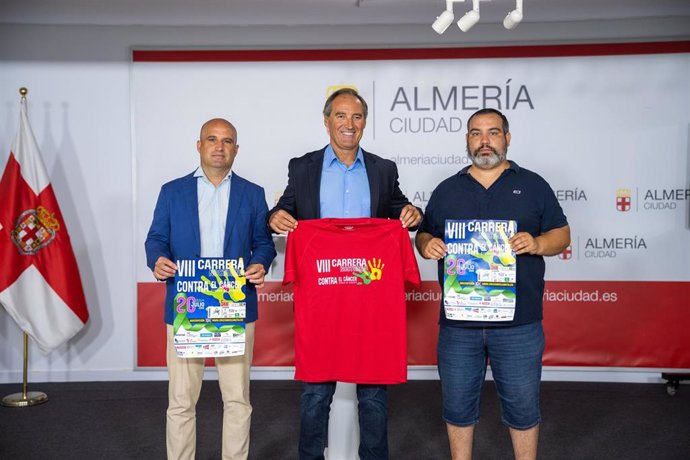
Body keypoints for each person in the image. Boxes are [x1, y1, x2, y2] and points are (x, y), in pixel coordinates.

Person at [268, 87, 422, 460]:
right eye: (340, 116)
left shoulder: (383, 169)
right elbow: (282, 210)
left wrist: (414, 214)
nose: (348, 124)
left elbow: (400, 207)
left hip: (369, 296)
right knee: (316, 391)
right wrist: (274, 218)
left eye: (356, 117)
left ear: (364, 124)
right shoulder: (302, 166)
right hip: (322, 294)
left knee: (373, 389)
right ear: (326, 122)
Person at [415, 108, 570, 460]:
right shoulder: (447, 189)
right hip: (458, 323)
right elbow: (424, 232)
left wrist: (537, 243)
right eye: (475, 133)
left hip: (518, 323)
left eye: (493, 132)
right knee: (457, 408)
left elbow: (562, 234)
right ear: (467, 140)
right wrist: (426, 244)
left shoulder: (533, 185)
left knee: (523, 409)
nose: (484, 141)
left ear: (507, 138)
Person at [145, 118, 276, 460]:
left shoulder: (253, 193)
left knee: (236, 399)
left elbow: (264, 243)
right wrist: (157, 259)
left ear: (236, 149)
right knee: (182, 401)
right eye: (212, 139)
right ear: (199, 145)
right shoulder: (172, 192)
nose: (220, 146)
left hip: (234, 304)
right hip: (187, 305)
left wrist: (261, 261)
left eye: (227, 141)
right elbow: (156, 239)